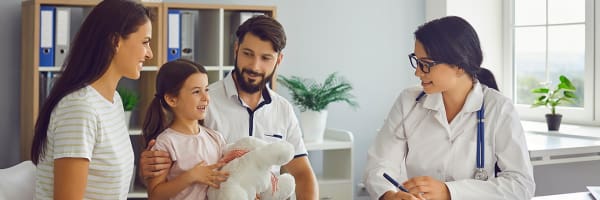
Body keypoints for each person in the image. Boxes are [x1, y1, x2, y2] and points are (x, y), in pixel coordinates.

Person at [140, 15, 319, 199]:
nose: (254, 66)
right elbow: (166, 162)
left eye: (265, 58)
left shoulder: (283, 109)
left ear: (278, 60)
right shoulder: (203, 103)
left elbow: (302, 174)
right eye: (247, 54)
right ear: (236, 49)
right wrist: (149, 165)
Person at [364, 16, 535, 200]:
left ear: (459, 66)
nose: (417, 72)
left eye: (426, 64)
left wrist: (449, 192)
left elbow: (520, 184)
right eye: (417, 61)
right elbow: (379, 166)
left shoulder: (499, 109)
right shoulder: (408, 102)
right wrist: (389, 195)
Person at [29, 0, 153, 199]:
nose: (150, 53)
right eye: (145, 42)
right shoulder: (79, 109)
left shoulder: (114, 101)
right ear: (115, 41)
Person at [142, 59, 229, 200]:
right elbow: (155, 195)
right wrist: (191, 176)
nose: (206, 98)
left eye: (206, 90)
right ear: (172, 99)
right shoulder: (166, 143)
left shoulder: (215, 138)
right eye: (196, 92)